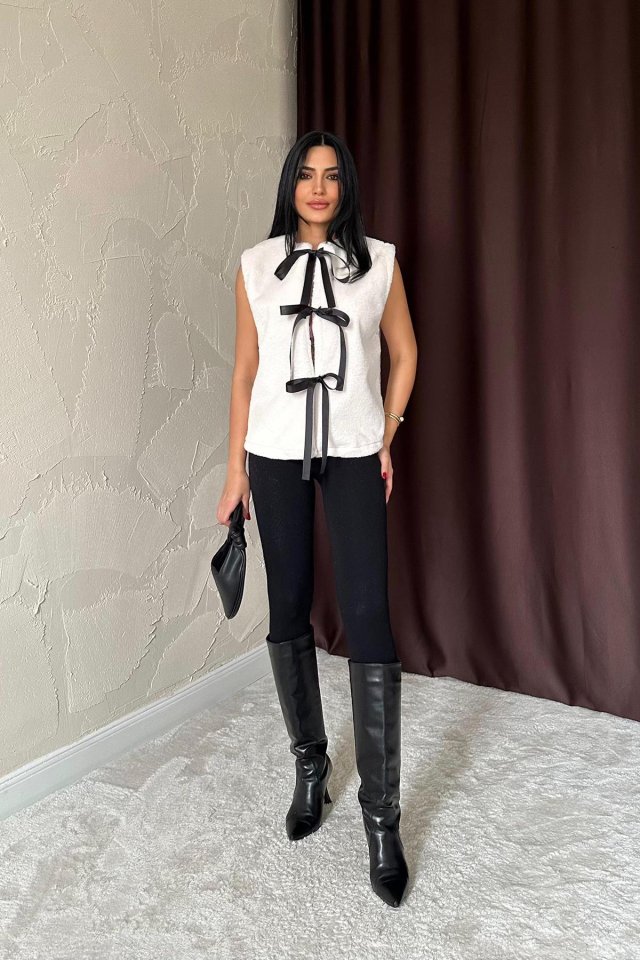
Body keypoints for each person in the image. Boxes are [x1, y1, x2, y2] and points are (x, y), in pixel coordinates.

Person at [216, 130, 418, 908]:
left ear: (347, 186)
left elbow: (404, 352)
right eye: (306, 174)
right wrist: (234, 473)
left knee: (369, 618)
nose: (319, 187)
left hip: (355, 452)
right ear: (290, 185)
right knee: (288, 606)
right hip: (271, 455)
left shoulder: (380, 263)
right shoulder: (255, 266)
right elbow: (244, 373)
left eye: (332, 176)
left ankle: (381, 819)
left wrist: (387, 434)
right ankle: (311, 767)